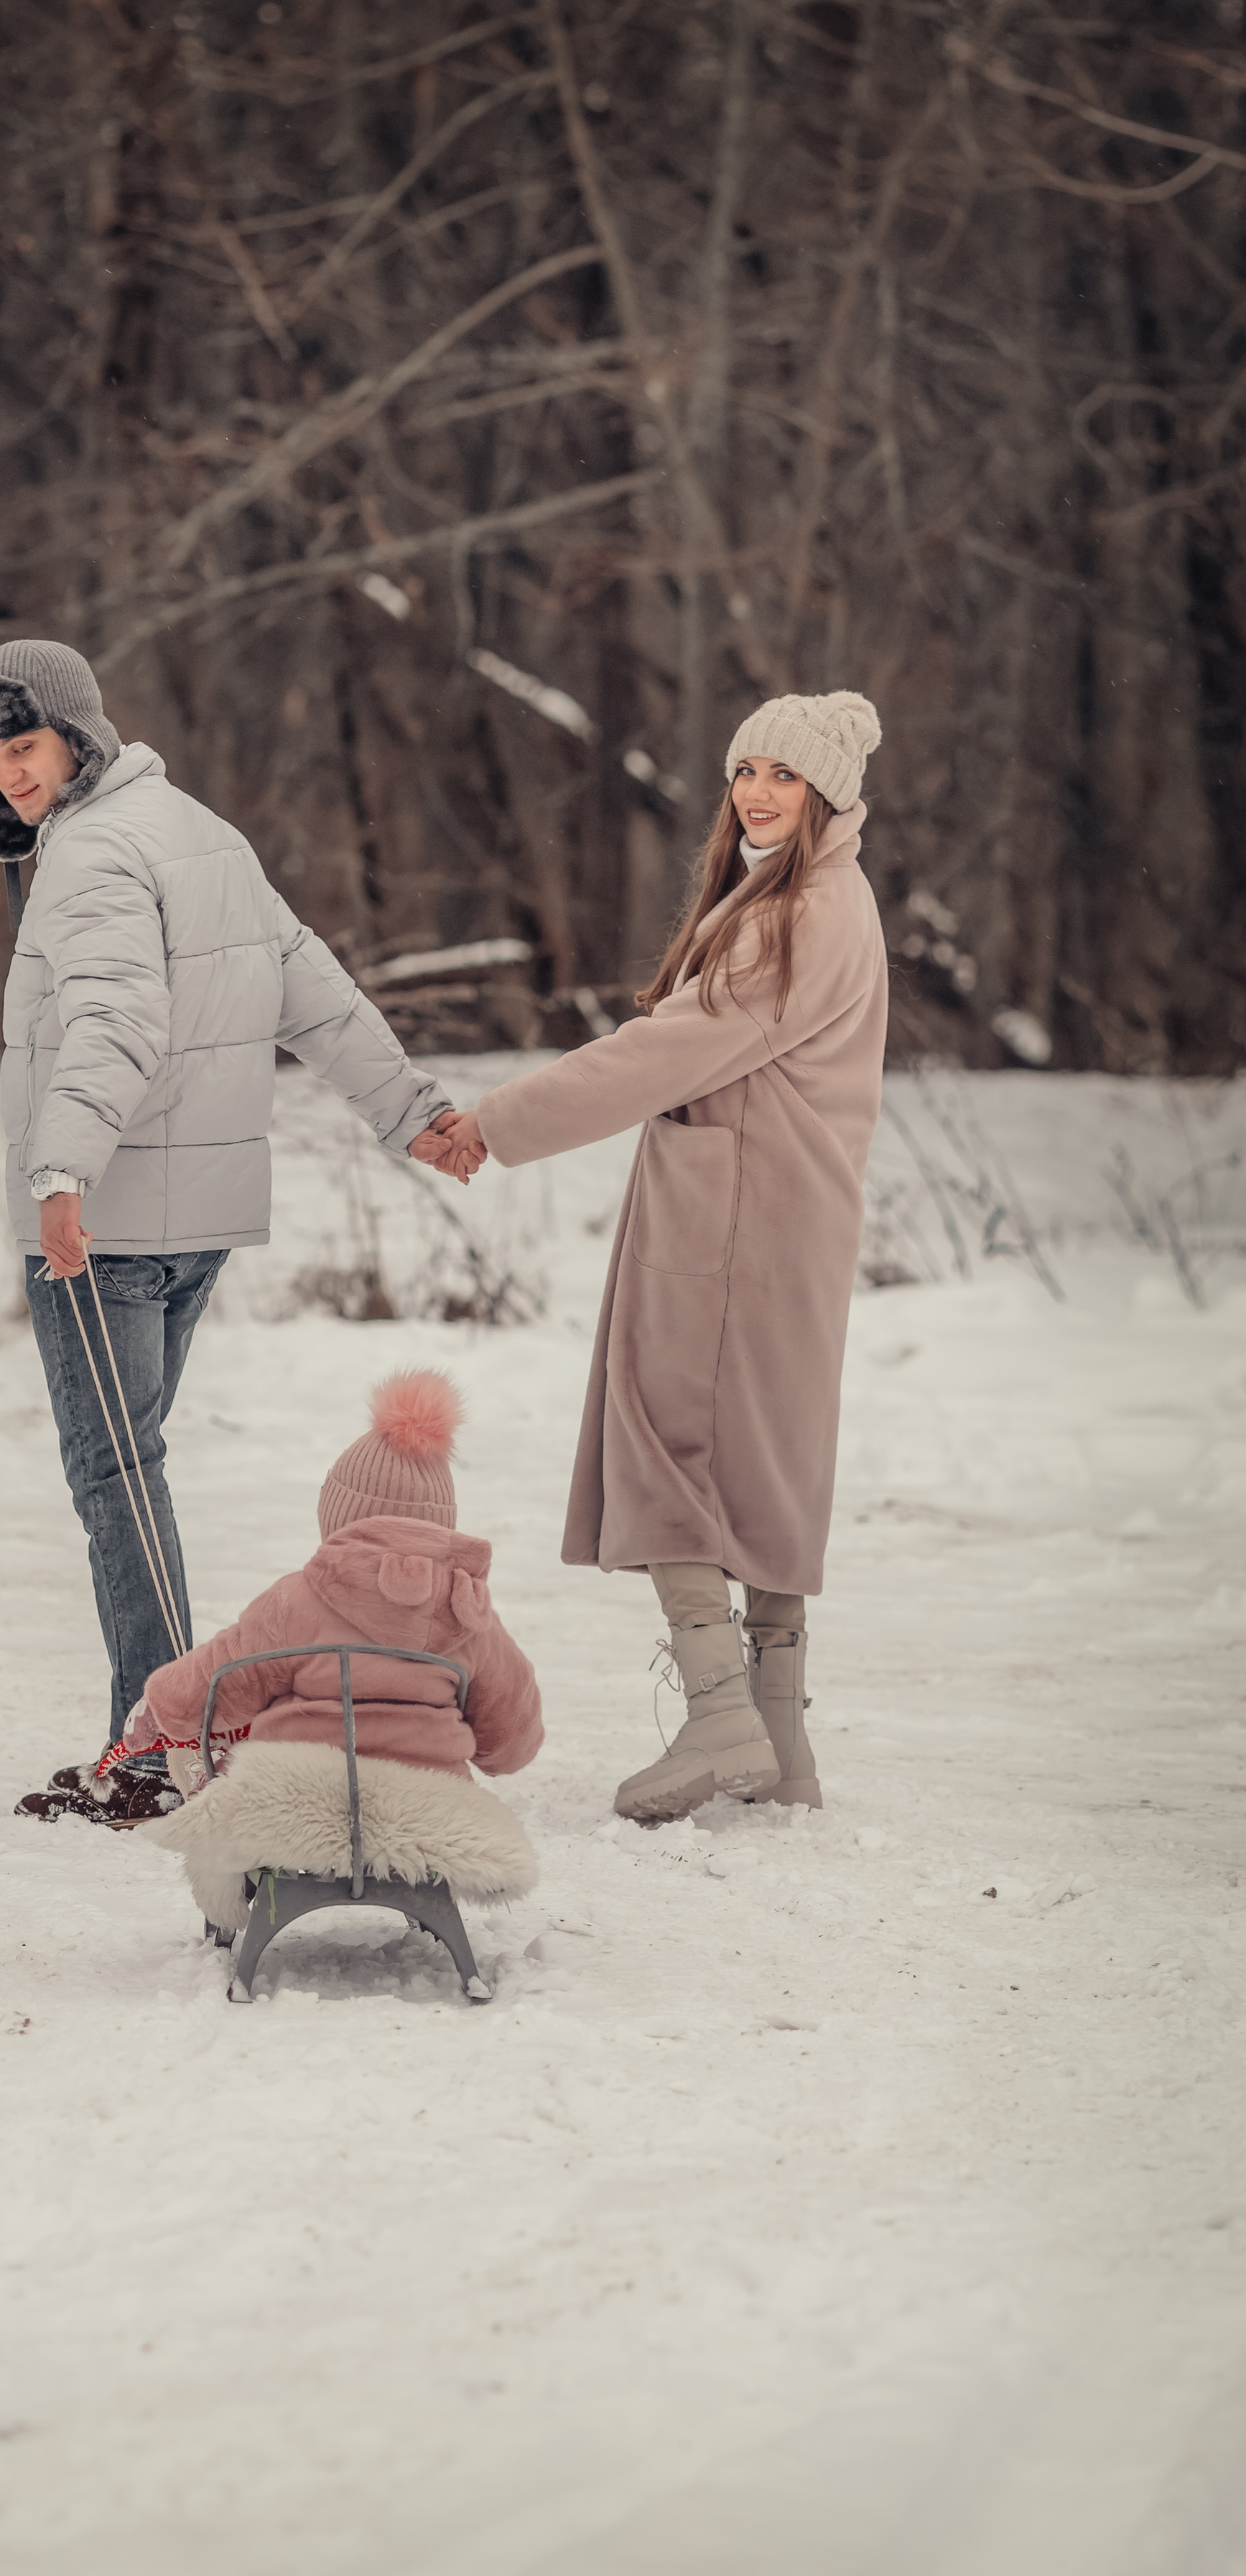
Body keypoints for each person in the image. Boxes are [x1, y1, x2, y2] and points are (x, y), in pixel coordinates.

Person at [0, 639, 473, 1823]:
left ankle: (161, 1746)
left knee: (118, 1481)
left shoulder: (93, 854)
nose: (8, 776)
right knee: (137, 1474)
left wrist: (64, 1171)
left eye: (22, 745)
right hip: (196, 1223)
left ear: (78, 732)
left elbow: (119, 1019)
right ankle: (179, 1732)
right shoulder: (201, 833)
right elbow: (312, 985)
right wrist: (409, 1110)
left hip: (109, 1223)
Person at [434, 691, 888, 1823]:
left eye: (787, 775)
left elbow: (662, 1053)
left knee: (665, 1441)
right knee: (772, 1457)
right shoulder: (818, 901)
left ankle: (720, 1713)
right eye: (747, 771)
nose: (759, 793)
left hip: (734, 1223)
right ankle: (780, 1741)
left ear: (828, 794)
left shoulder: (800, 916)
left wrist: (496, 1123)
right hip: (781, 1214)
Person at [116, 1367, 544, 1818]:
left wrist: (161, 1705)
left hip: (299, 1801)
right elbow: (512, 1745)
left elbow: (225, 1672)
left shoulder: (297, 1600)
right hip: (429, 1812)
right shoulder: (471, 1617)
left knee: (224, 1814)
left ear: (340, 1516)